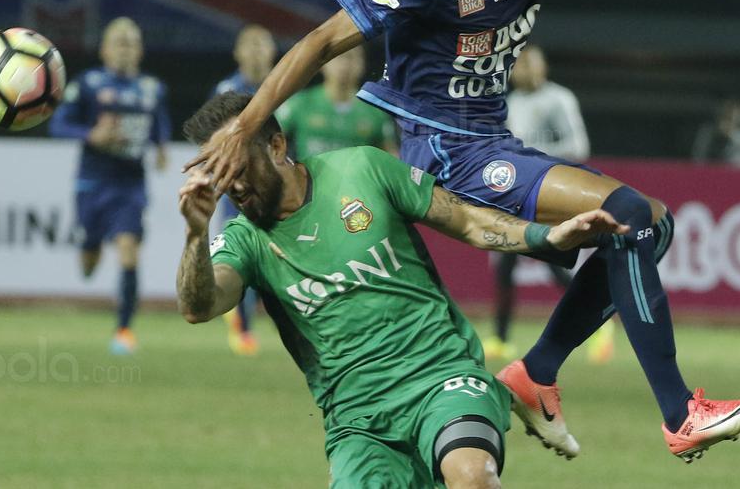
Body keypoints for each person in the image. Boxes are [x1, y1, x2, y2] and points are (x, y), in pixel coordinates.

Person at [186, 0, 740, 461]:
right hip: (444, 151)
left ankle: (535, 374)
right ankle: (678, 412)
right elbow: (321, 40)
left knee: (648, 226)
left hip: (492, 138)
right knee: (630, 213)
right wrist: (247, 125)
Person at [176, 92, 628, 488]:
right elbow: (200, 306)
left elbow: (467, 219)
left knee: (472, 476)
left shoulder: (362, 168)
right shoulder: (245, 239)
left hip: (442, 378)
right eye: (217, 169)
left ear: (276, 146)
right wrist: (196, 237)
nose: (228, 181)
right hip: (357, 422)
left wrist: (542, 237)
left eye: (235, 162)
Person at [50, 17, 170, 354]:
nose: (124, 48)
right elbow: (58, 124)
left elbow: (159, 122)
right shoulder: (88, 83)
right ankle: (88, 246)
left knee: (129, 250)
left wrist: (161, 147)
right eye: (118, 41)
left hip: (130, 184)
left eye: (131, 42)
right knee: (89, 260)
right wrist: (91, 135)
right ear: (104, 49)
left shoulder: (152, 88)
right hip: (92, 182)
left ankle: (124, 330)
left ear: (140, 50)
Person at [489, 45, 612, 365]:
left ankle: (598, 322)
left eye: (530, 64)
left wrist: (533, 153)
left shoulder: (559, 99)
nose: (523, 70)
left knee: (554, 263)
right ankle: (501, 339)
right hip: (517, 194)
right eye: (519, 65)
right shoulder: (510, 104)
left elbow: (578, 145)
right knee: (505, 265)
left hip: (550, 190)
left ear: (543, 68)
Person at [212, 24, 279, 356]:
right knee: (245, 252)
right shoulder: (226, 90)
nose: (256, 52)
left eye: (262, 45)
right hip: (239, 185)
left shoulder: (281, 87)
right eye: (250, 46)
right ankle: (243, 326)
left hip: (277, 184)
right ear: (238, 53)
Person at [274, 45, 398, 158]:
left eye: (352, 57)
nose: (345, 65)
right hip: (311, 181)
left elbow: (391, 157)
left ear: (363, 64)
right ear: (324, 64)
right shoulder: (299, 103)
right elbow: (270, 140)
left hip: (355, 182)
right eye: (339, 57)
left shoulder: (376, 112)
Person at [692, 97, 740, 169]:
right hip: (726, 170)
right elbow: (700, 154)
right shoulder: (711, 128)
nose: (729, 113)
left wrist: (731, 133)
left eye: (733, 110)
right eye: (727, 110)